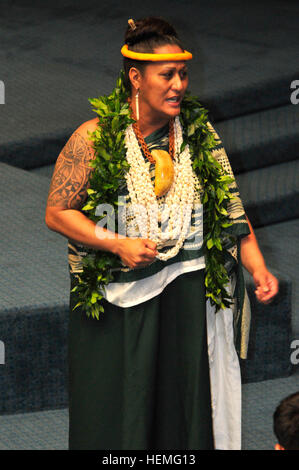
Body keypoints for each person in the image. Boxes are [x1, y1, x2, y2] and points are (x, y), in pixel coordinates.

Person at [45, 17, 279, 450]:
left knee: (181, 410)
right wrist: (117, 242)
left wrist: (258, 266)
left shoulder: (198, 134)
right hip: (118, 305)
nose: (178, 85)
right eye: (166, 75)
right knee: (121, 411)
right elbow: (58, 214)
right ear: (136, 77)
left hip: (186, 295)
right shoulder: (96, 138)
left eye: (183, 74)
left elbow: (229, 206)